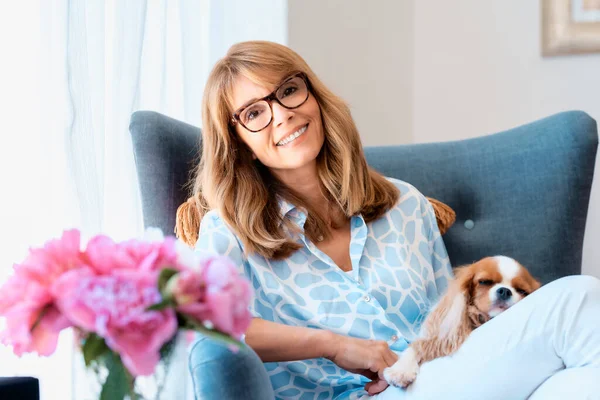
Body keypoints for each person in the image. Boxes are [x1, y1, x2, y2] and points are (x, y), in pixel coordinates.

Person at [176, 41, 600, 400]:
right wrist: (333, 345)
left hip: (438, 377)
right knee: (578, 300)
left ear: (314, 97)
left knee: (575, 382)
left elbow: (447, 324)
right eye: (253, 113)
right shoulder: (227, 231)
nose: (282, 113)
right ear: (239, 141)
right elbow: (201, 325)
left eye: (289, 90)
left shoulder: (404, 204)